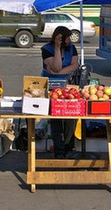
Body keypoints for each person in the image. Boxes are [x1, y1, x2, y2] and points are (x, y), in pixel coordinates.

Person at [41, 26, 79, 158]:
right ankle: (59, 149)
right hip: (51, 86)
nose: (69, 40)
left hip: (68, 85)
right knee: (56, 118)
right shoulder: (47, 49)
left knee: (70, 116)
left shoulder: (72, 48)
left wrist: (59, 72)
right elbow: (56, 65)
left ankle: (68, 145)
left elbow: (74, 66)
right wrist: (57, 48)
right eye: (67, 37)